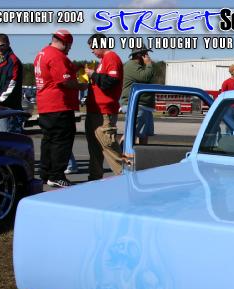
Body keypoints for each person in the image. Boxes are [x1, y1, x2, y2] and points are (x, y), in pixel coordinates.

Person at [34, 29, 82, 188]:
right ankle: (57, 175)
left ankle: (46, 174)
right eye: (69, 46)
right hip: (58, 105)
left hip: (45, 105)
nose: (69, 50)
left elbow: (53, 74)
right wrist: (82, 86)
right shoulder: (56, 56)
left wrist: (72, 69)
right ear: (64, 43)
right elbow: (64, 81)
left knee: (48, 140)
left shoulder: (42, 53)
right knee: (62, 141)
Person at [85, 34, 124, 181]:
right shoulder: (103, 60)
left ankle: (125, 177)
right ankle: (94, 179)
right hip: (96, 111)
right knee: (95, 149)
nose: (92, 51)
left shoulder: (111, 58)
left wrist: (93, 75)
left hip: (104, 112)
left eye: (93, 47)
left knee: (110, 148)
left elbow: (111, 81)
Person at [0, 34, 23, 133]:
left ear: (8, 44)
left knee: (4, 134)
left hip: (5, 107)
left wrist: (0, 99)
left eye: (2, 45)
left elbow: (12, 83)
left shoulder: (13, 61)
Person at [120, 44, 155, 145]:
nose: (148, 56)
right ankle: (122, 152)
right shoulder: (131, 65)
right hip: (136, 106)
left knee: (143, 135)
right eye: (146, 53)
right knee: (130, 135)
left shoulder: (140, 66)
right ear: (140, 55)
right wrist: (149, 64)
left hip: (143, 106)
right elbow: (145, 77)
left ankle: (142, 155)